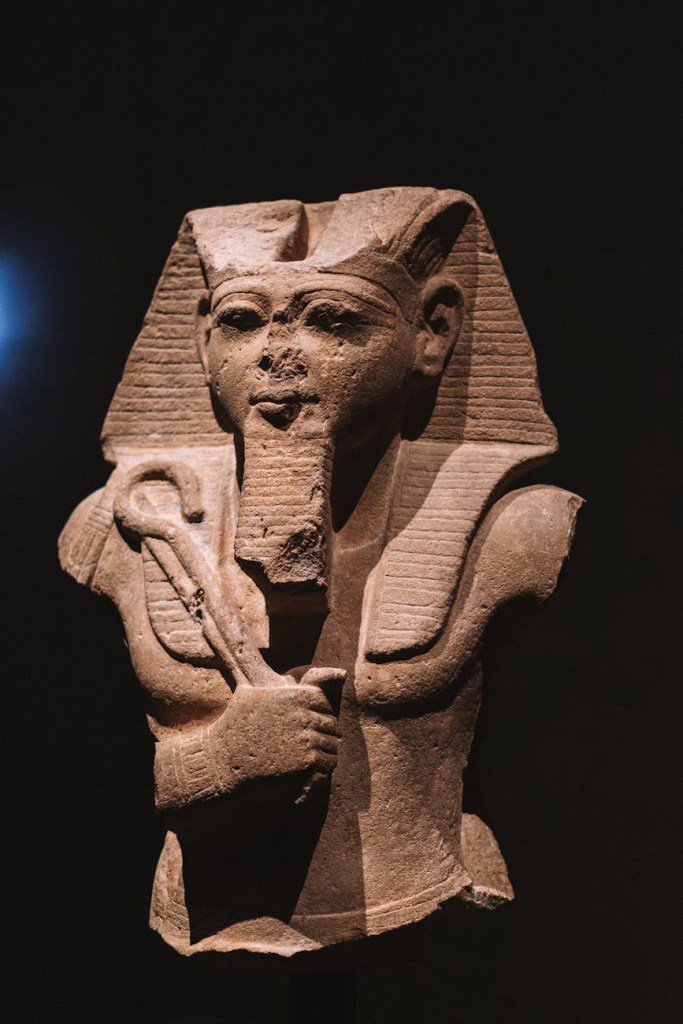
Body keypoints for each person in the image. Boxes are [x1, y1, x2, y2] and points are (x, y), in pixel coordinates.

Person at [60, 187, 581, 955]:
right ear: (202, 340)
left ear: (431, 333)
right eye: (242, 321)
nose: (278, 354)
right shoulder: (122, 526)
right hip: (208, 908)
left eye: (332, 320)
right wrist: (223, 759)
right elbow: (137, 781)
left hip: (412, 901)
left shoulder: (517, 529)